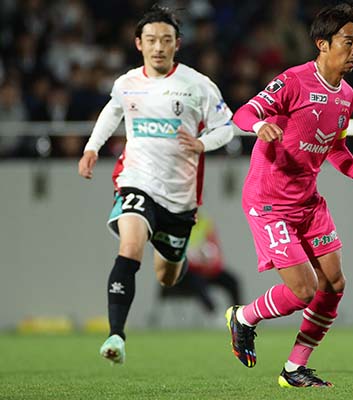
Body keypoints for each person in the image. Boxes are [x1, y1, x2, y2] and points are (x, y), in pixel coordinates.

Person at [226, 3, 353, 388]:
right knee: (303, 290)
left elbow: (336, 149)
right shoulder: (294, 81)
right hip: (269, 202)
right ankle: (244, 318)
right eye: (348, 41)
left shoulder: (346, 95)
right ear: (322, 43)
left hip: (307, 202)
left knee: (334, 284)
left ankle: (294, 369)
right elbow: (243, 113)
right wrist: (260, 126)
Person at [77, 5, 233, 365]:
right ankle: (116, 335)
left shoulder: (197, 85)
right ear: (139, 43)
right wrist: (91, 148)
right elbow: (113, 110)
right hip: (136, 181)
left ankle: (175, 257)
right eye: (151, 40)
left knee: (167, 276)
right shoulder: (127, 83)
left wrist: (202, 143)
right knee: (130, 247)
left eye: (165, 40)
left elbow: (226, 127)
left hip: (179, 198)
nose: (158, 47)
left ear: (177, 43)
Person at [157, 211, 242, 313]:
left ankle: (238, 316)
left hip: (205, 269)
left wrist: (210, 263)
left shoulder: (204, 223)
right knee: (198, 283)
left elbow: (216, 251)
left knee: (232, 281)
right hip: (183, 274)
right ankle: (214, 314)